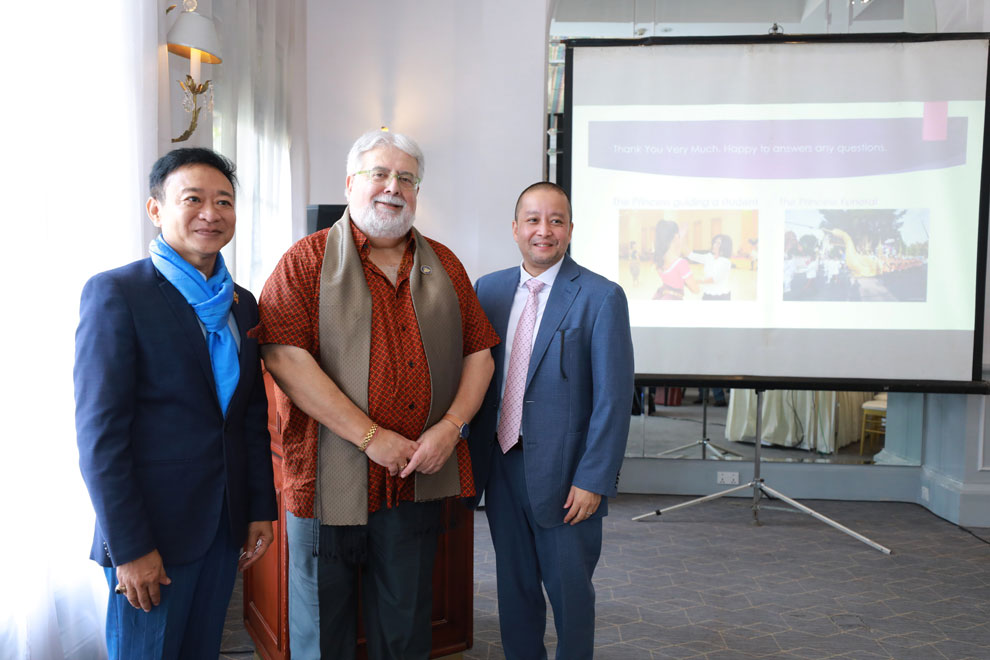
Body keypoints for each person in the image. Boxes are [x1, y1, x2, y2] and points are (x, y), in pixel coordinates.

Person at [251, 129, 498, 659]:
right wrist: (371, 437)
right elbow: (283, 357)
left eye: (407, 178)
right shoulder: (306, 260)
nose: (394, 187)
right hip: (324, 483)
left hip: (413, 477)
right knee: (322, 628)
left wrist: (449, 429)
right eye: (379, 174)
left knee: (405, 629)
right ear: (349, 183)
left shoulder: (445, 265)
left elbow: (480, 353)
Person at [74, 148, 277, 659]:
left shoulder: (243, 303)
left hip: (221, 528)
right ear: (156, 209)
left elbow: (248, 419)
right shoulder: (118, 294)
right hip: (152, 537)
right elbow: (101, 439)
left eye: (224, 201)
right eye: (194, 199)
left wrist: (257, 508)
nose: (211, 213)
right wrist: (131, 549)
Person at [471, 182, 634, 659]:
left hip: (568, 481)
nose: (545, 231)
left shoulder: (602, 296)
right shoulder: (489, 290)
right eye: (534, 220)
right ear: (516, 228)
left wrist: (594, 479)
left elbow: (613, 398)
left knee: (571, 599)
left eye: (556, 221)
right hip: (502, 469)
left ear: (570, 229)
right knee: (514, 595)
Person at [653, 219, 699, 300]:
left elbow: (675, 253)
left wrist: (681, 236)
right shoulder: (681, 264)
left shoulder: (659, 260)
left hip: (662, 296)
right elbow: (696, 290)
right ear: (676, 236)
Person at [688, 233, 733, 301]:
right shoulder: (708, 257)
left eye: (718, 243)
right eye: (715, 242)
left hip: (721, 296)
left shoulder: (725, 262)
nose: (714, 245)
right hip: (707, 293)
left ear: (724, 246)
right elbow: (691, 255)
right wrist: (680, 238)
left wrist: (696, 281)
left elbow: (714, 279)